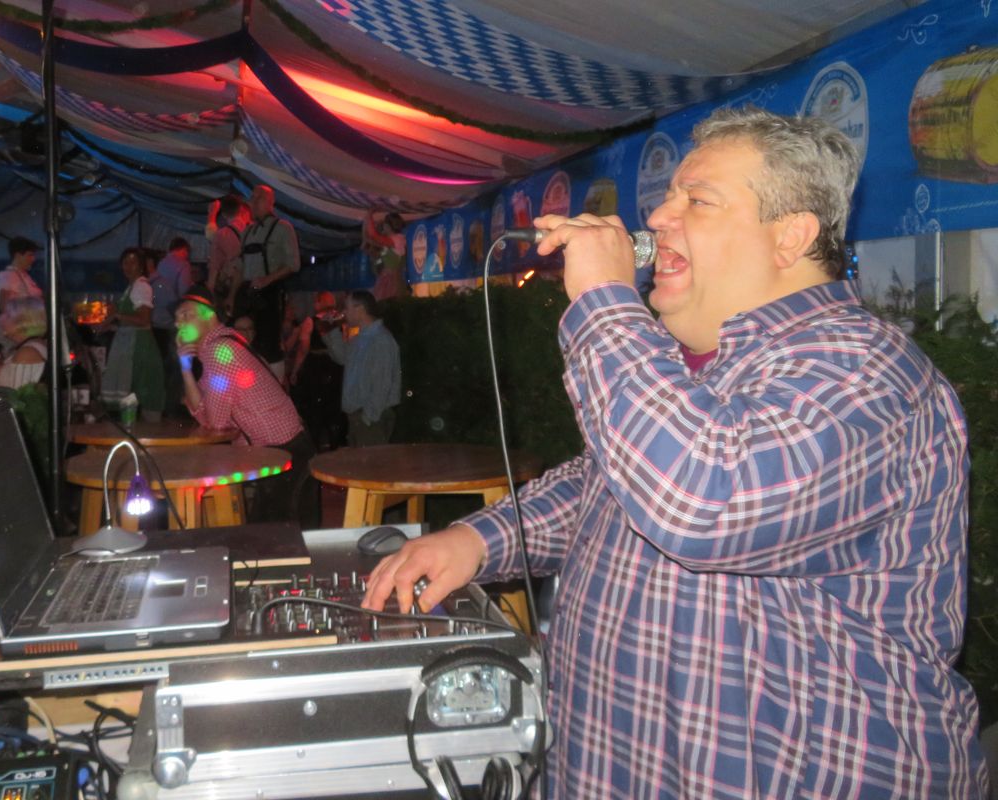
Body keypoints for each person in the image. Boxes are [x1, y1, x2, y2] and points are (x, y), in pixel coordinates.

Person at [363, 107, 989, 798]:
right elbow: (603, 488)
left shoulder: (866, 372)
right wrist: (479, 540)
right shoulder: (697, 364)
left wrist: (603, 300)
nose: (658, 217)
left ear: (791, 236)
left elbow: (701, 500)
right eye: (667, 198)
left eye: (698, 200)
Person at [174, 288, 315, 525]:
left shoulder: (220, 352)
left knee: (279, 537)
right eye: (177, 319)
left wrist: (189, 379)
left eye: (186, 315)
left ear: (210, 316)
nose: (179, 324)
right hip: (285, 447)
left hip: (284, 451)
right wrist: (185, 368)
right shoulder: (223, 346)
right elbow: (205, 409)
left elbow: (215, 423)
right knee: (280, 535)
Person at [324, 290, 400, 447]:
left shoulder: (380, 340)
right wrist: (331, 331)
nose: (344, 312)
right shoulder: (361, 337)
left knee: (370, 462)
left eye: (347, 308)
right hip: (360, 417)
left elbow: (382, 383)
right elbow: (342, 357)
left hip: (371, 419)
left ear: (360, 309)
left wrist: (368, 417)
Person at [238, 185, 300, 373]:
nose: (254, 202)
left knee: (268, 346)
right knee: (243, 343)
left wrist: (267, 279)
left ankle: (271, 383)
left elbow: (294, 264)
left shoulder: (283, 227)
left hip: (270, 295)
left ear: (271, 202)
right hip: (247, 294)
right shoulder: (247, 231)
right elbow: (240, 266)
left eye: (259, 198)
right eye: (252, 198)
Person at [100, 247, 165, 420]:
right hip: (129, 342)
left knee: (139, 387)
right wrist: (111, 326)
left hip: (139, 346)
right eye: (125, 262)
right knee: (133, 391)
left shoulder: (141, 286)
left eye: (133, 262)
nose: (128, 266)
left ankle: (148, 430)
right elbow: (128, 321)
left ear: (141, 266)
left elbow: (144, 320)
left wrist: (117, 316)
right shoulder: (131, 287)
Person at [288, 291, 346, 451]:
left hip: (316, 367)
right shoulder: (339, 320)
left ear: (318, 303)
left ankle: (316, 445)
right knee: (333, 405)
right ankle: (335, 443)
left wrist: (295, 370)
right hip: (334, 366)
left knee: (315, 407)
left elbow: (303, 348)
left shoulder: (310, 322)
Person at [152, 237, 192, 413]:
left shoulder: (160, 264)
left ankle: (159, 404)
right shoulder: (183, 265)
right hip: (171, 323)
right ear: (184, 249)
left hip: (155, 322)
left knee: (161, 366)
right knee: (177, 366)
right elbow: (184, 294)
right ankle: (173, 405)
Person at [205, 194, 250, 316]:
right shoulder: (251, 231)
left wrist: (212, 214)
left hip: (229, 288)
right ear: (241, 210)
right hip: (249, 287)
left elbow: (214, 266)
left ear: (224, 214)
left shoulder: (222, 234)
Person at [0, 297, 47, 389]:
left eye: (7, 315)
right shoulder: (32, 347)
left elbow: (17, 395)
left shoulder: (27, 353)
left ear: (22, 320)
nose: (0, 318)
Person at [361, 209, 408, 301]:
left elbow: (372, 236)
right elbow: (368, 241)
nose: (383, 227)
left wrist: (369, 215)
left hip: (391, 281)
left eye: (384, 225)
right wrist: (367, 221)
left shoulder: (396, 240)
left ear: (388, 226)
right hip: (389, 279)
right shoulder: (391, 243)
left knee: (387, 302)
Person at [0, 236, 42, 305]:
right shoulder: (6, 276)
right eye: (30, 255)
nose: (33, 259)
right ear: (17, 256)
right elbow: (5, 307)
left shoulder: (25, 276)